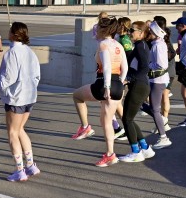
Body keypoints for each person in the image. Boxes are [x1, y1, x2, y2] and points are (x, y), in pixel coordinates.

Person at [0, 22, 41, 182]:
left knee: (12, 133)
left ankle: (20, 170)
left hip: (16, 98)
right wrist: (30, 88)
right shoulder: (30, 52)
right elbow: (37, 75)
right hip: (29, 96)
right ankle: (30, 165)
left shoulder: (12, 53)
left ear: (14, 34)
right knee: (20, 129)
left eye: (10, 30)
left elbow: (8, 78)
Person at [70, 16, 128, 167]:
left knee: (77, 95)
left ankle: (85, 127)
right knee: (106, 122)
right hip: (118, 85)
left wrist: (107, 87)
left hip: (104, 83)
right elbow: (125, 68)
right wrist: (119, 83)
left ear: (103, 30)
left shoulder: (103, 44)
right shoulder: (118, 45)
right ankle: (110, 154)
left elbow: (107, 67)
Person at [118, 21, 155, 163]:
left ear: (141, 33)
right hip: (139, 85)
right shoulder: (140, 45)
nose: (130, 32)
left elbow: (145, 68)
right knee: (129, 118)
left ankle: (135, 152)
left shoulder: (141, 46)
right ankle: (145, 148)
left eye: (132, 30)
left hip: (139, 85)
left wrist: (129, 79)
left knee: (127, 119)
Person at [146, 20, 173, 150]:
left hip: (157, 81)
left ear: (155, 33)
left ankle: (163, 137)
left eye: (150, 31)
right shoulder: (158, 43)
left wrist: (147, 66)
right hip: (158, 80)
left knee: (154, 109)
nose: (148, 33)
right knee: (151, 108)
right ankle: (162, 122)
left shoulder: (158, 45)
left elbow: (162, 65)